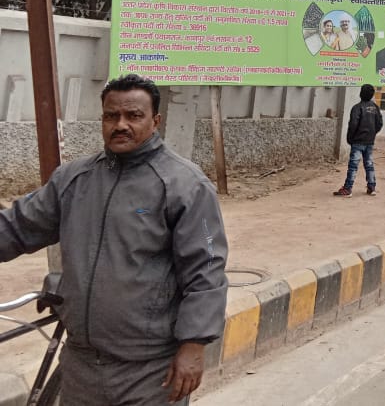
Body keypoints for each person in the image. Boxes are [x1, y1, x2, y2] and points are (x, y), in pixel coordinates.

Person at [0, 73, 228, 405]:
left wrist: (194, 345)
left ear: (156, 121)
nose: (120, 124)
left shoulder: (185, 186)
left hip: (150, 370)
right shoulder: (74, 179)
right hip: (80, 364)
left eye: (133, 116)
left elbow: (206, 270)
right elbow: (16, 227)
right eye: (111, 115)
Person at [334, 84, 383, 197]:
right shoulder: (375, 108)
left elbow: (353, 124)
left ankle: (347, 188)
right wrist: (372, 133)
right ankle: (372, 187)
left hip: (357, 141)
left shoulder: (357, 108)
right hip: (369, 141)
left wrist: (350, 138)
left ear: (360, 93)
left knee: (353, 166)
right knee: (369, 164)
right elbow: (379, 124)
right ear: (372, 95)